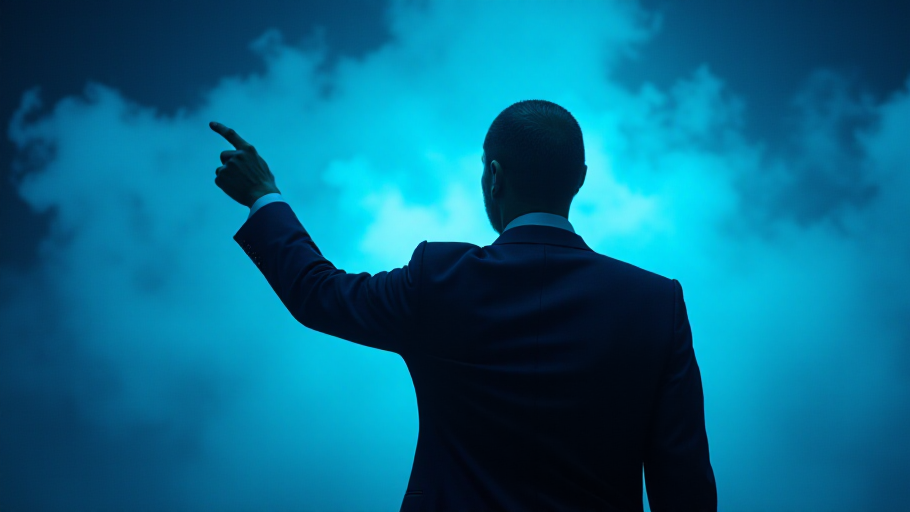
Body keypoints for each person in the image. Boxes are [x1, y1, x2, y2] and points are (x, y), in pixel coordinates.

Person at [210, 99, 716, 511]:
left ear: (494, 176)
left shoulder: (440, 279)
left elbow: (318, 294)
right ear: (579, 178)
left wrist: (263, 194)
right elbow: (684, 486)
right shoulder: (656, 302)